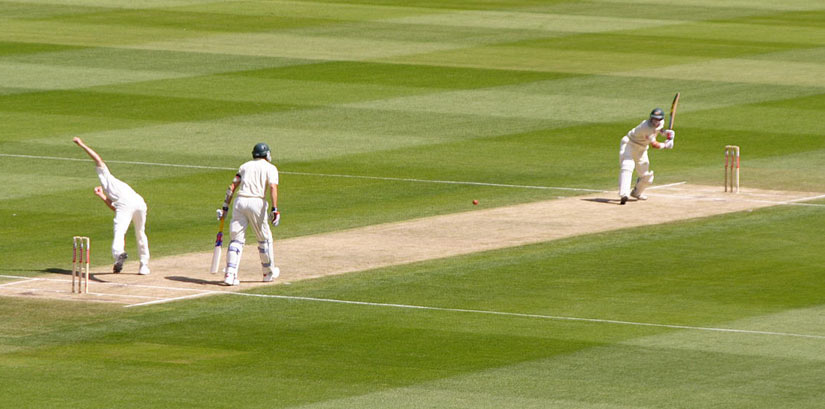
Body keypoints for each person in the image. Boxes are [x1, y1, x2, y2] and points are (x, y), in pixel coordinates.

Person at [73, 137, 150, 275]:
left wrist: (81, 144)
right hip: (139, 202)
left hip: (125, 203)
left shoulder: (106, 177)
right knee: (140, 232)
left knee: (119, 231)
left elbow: (98, 159)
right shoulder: (114, 186)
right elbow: (117, 208)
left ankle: (119, 254)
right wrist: (102, 196)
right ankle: (144, 265)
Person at [217, 143, 280, 286]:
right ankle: (268, 273)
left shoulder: (244, 166)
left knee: (236, 239)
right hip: (256, 202)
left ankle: (230, 275)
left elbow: (232, 186)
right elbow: (272, 187)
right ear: (267, 154)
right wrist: (275, 209)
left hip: (239, 202)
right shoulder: (271, 168)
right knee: (264, 239)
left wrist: (225, 207)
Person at [618, 108, 675, 205]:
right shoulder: (645, 128)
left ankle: (636, 193)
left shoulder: (660, 123)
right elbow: (655, 145)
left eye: (658, 119)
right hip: (629, 144)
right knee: (627, 165)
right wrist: (666, 145)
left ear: (661, 119)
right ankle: (624, 194)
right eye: (653, 119)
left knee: (646, 176)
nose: (655, 121)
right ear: (650, 118)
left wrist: (667, 134)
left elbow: (659, 130)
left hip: (642, 148)